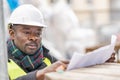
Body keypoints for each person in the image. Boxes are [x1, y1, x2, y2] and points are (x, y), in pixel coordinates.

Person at [7, 4, 69, 80]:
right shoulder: (3, 62)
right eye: (27, 32)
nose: (33, 38)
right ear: (12, 34)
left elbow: (61, 74)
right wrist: (39, 74)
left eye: (38, 33)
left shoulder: (48, 59)